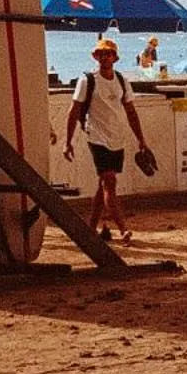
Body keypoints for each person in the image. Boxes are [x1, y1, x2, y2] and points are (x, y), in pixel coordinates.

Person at [63, 39, 154, 245]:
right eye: (101, 54)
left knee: (103, 185)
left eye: (108, 54)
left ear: (114, 57)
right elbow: (74, 111)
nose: (105, 57)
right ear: (96, 57)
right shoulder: (87, 80)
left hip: (117, 138)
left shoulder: (122, 81)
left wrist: (141, 140)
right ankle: (123, 229)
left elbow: (131, 111)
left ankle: (89, 230)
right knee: (110, 183)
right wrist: (67, 142)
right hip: (96, 137)